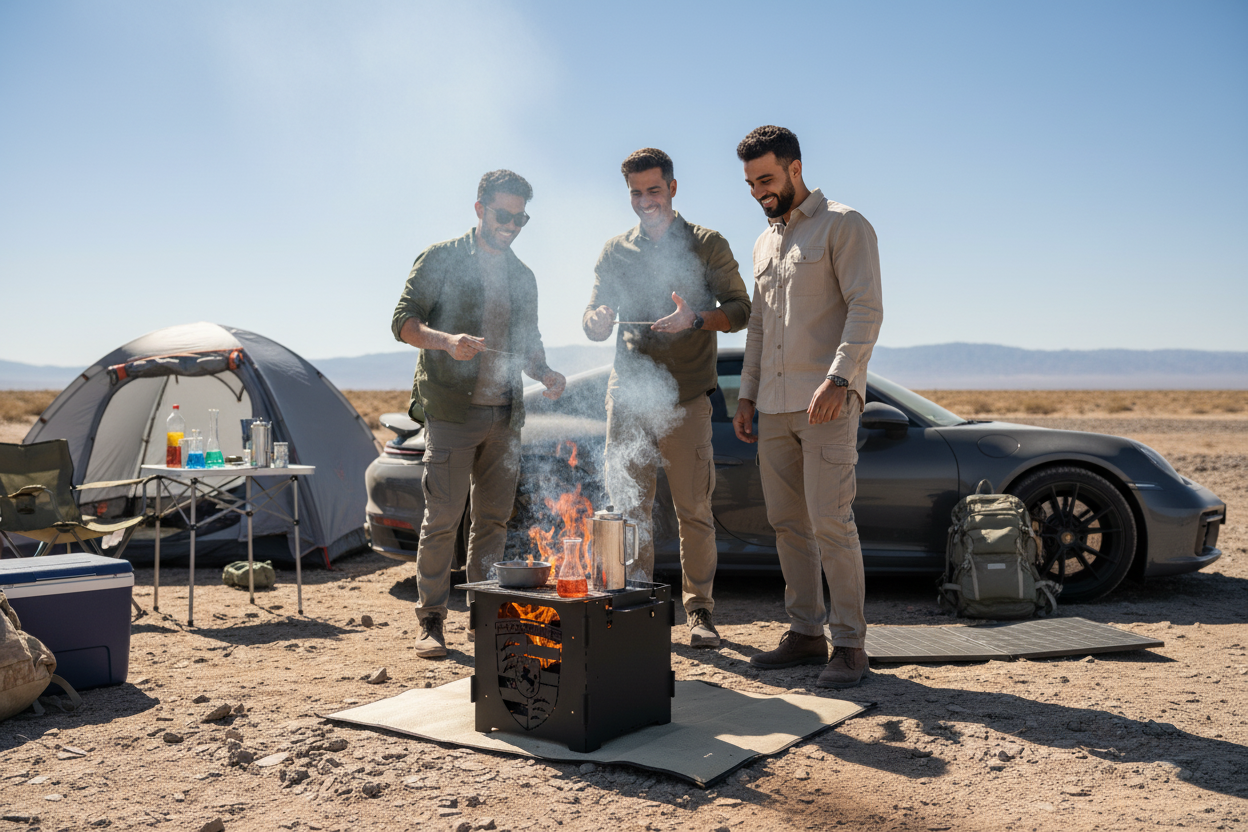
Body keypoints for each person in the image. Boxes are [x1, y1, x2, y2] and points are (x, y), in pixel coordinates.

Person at [732, 126, 883, 688]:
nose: (759, 192)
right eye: (751, 183)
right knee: (788, 525)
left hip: (827, 402)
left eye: (766, 179)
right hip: (773, 406)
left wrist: (840, 378)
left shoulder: (845, 224)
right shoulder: (764, 243)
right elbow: (758, 325)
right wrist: (747, 394)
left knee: (831, 523)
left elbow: (866, 308)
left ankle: (850, 645)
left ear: (795, 169)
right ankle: (804, 633)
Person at [392, 169, 566, 658]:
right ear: (480, 209)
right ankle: (431, 620)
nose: (511, 225)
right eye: (503, 215)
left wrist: (545, 373)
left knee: (492, 522)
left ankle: (483, 620)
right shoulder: (441, 258)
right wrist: (447, 341)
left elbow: (529, 344)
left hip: (505, 415)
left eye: (520, 218)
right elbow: (402, 321)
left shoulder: (523, 276)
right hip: (452, 411)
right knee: (443, 520)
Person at [584, 148, 751, 648]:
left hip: (686, 400)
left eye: (653, 190)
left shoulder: (707, 244)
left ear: (673, 188)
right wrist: (595, 321)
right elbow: (592, 316)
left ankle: (699, 613)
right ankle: (632, 608)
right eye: (636, 193)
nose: (645, 201)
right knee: (629, 510)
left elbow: (741, 310)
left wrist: (695, 318)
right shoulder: (615, 251)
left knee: (693, 512)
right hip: (628, 399)